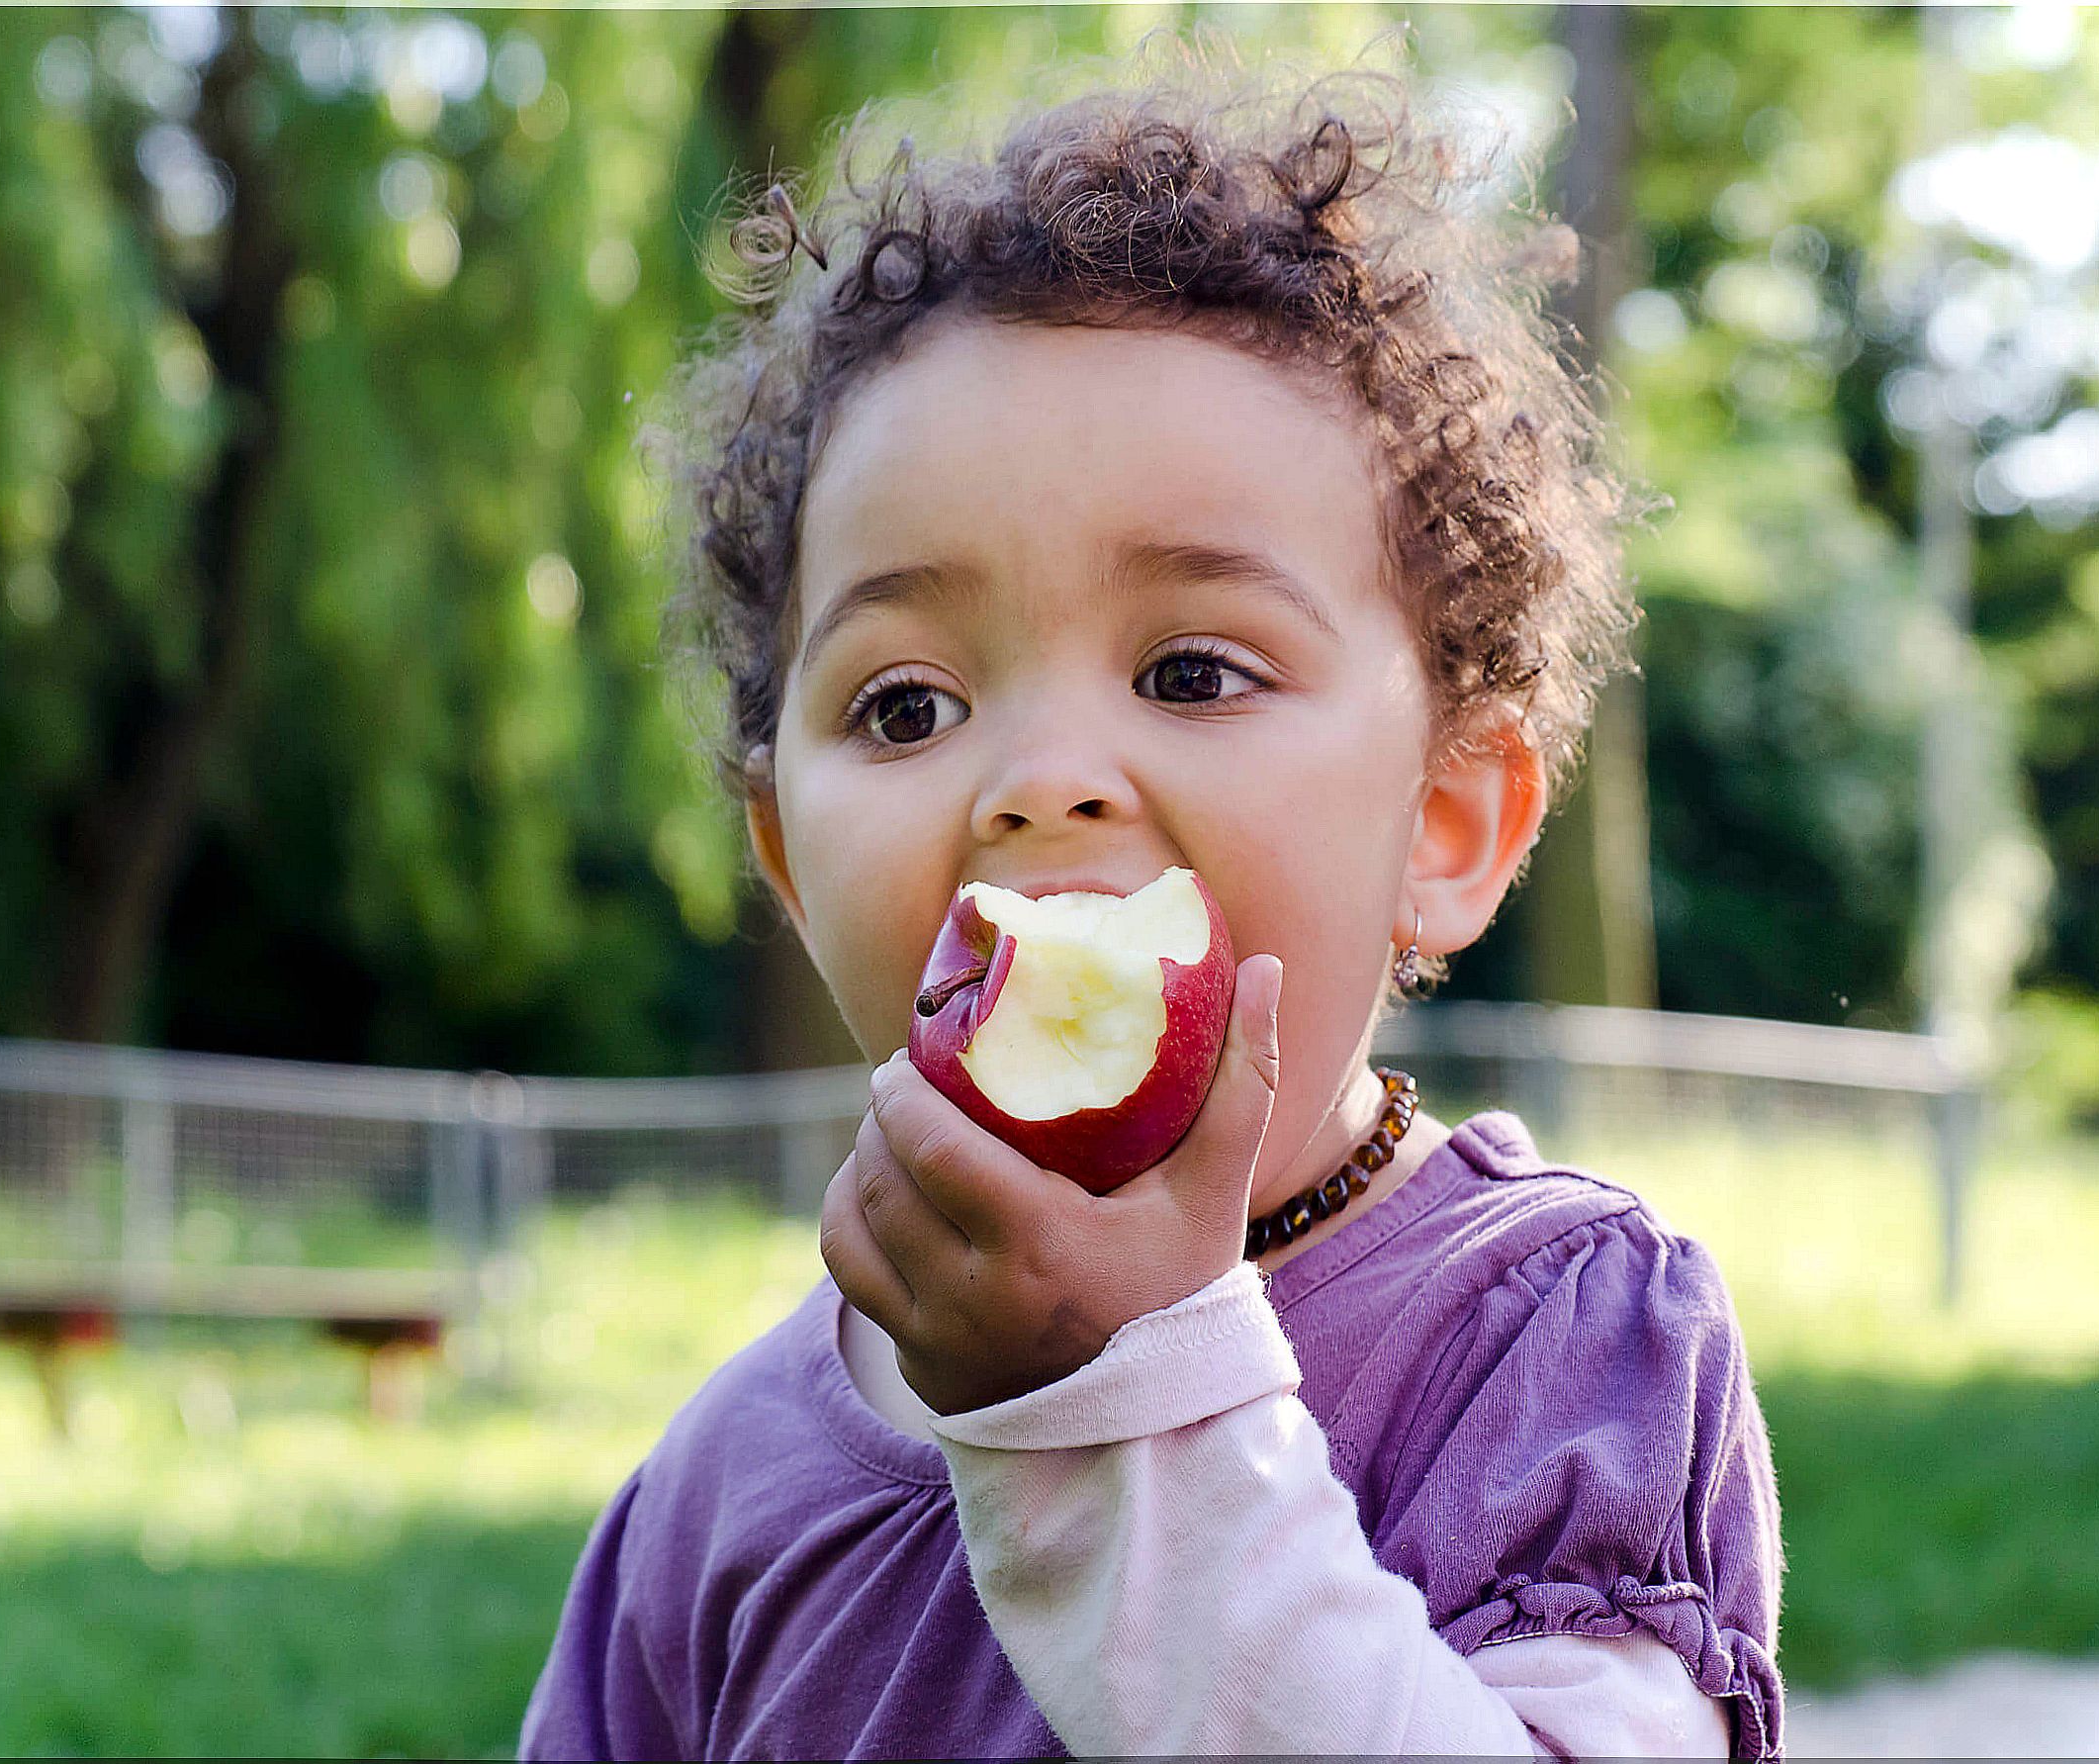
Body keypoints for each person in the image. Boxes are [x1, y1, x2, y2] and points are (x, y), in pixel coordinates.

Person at [521, 24, 1784, 1762]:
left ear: (1449, 819)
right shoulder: (722, 1486)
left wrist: (1112, 1401)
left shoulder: (1552, 1338)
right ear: (788, 863)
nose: (1041, 779)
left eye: (1191, 671)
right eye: (906, 705)